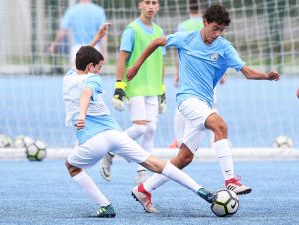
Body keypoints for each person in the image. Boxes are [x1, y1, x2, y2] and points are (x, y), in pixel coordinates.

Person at [126, 4, 280, 212]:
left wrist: (266, 76)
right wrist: (136, 65)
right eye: (215, 28)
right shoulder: (186, 38)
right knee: (220, 124)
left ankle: (144, 189)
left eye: (221, 30)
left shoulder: (224, 47)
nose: (218, 34)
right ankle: (230, 180)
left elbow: (246, 72)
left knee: (184, 158)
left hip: (203, 103)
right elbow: (156, 42)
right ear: (205, 23)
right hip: (187, 100)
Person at [63, 23, 216, 217]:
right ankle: (201, 191)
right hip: (115, 134)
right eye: (99, 67)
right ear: (91, 67)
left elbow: (82, 62)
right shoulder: (93, 79)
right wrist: (83, 115)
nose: (100, 71)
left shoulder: (69, 77)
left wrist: (97, 39)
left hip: (93, 141)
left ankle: (106, 206)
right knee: (155, 163)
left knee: (72, 167)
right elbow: (86, 94)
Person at [100, 0, 165, 184]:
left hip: (152, 87)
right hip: (135, 86)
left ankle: (142, 173)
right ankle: (111, 150)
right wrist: (119, 86)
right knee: (140, 127)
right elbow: (122, 59)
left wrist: (162, 89)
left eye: (155, 3)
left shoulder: (160, 32)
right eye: (147, 2)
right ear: (140, 5)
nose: (151, 6)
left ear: (158, 6)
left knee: (151, 129)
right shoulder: (132, 30)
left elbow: (160, 61)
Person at [168, 0, 225, 149]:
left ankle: (179, 140)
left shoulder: (183, 26)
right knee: (212, 106)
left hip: (190, 76)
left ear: (188, 7)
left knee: (183, 107)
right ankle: (216, 141)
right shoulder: (213, 24)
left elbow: (179, 51)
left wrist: (177, 73)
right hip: (210, 74)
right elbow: (220, 53)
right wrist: (223, 75)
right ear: (201, 8)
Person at [48, 0, 108, 67]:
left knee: (75, 76)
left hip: (78, 50)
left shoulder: (72, 10)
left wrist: (53, 45)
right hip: (95, 49)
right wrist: (104, 52)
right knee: (93, 76)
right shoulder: (99, 10)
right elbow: (103, 32)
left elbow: (63, 32)